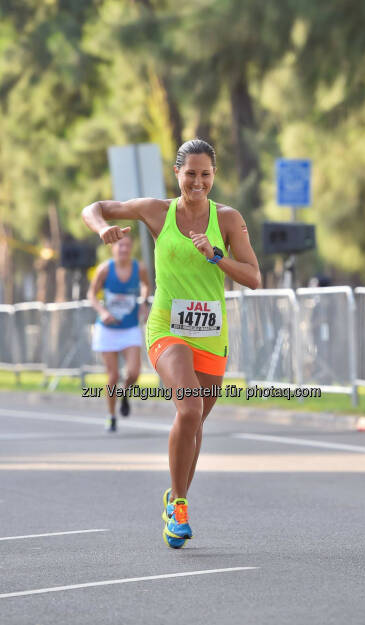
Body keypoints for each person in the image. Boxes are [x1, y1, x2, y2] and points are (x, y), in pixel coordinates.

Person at [82, 138, 261, 548]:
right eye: (190, 174)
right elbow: (94, 208)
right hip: (168, 328)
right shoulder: (156, 211)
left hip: (212, 334)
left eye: (205, 174)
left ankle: (174, 496)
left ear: (213, 176)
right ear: (177, 174)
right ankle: (180, 507)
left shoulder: (229, 219)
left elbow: (253, 277)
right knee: (190, 406)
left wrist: (217, 255)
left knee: (195, 423)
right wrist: (102, 229)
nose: (197, 182)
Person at [88, 235, 150, 432]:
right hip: (108, 329)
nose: (124, 249)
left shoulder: (138, 268)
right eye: (120, 246)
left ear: (131, 248)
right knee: (113, 376)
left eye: (127, 245)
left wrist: (143, 302)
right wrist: (103, 312)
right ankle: (111, 415)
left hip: (130, 326)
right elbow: (91, 294)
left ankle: (125, 393)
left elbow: (147, 285)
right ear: (113, 248)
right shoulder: (105, 270)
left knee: (134, 372)